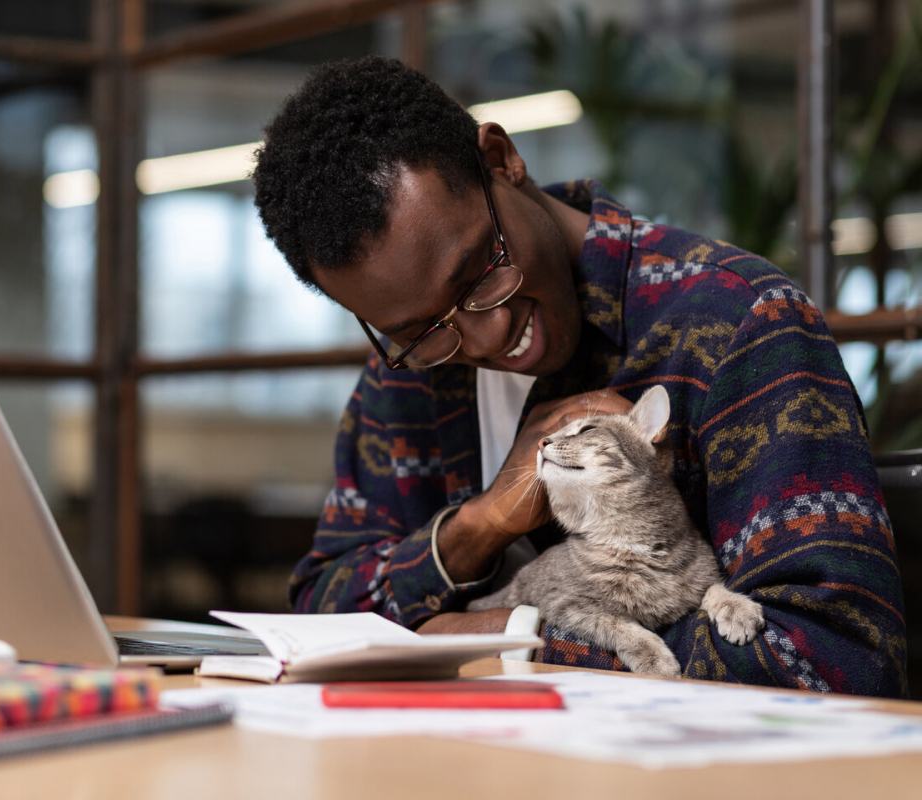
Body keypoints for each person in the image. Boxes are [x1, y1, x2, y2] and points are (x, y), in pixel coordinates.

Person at [251, 56, 906, 697]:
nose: (487, 334)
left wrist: (507, 636)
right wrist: (478, 527)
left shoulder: (739, 324)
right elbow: (322, 615)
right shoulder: (413, 366)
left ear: (502, 161)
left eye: (480, 271)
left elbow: (835, 659)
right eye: (421, 327)